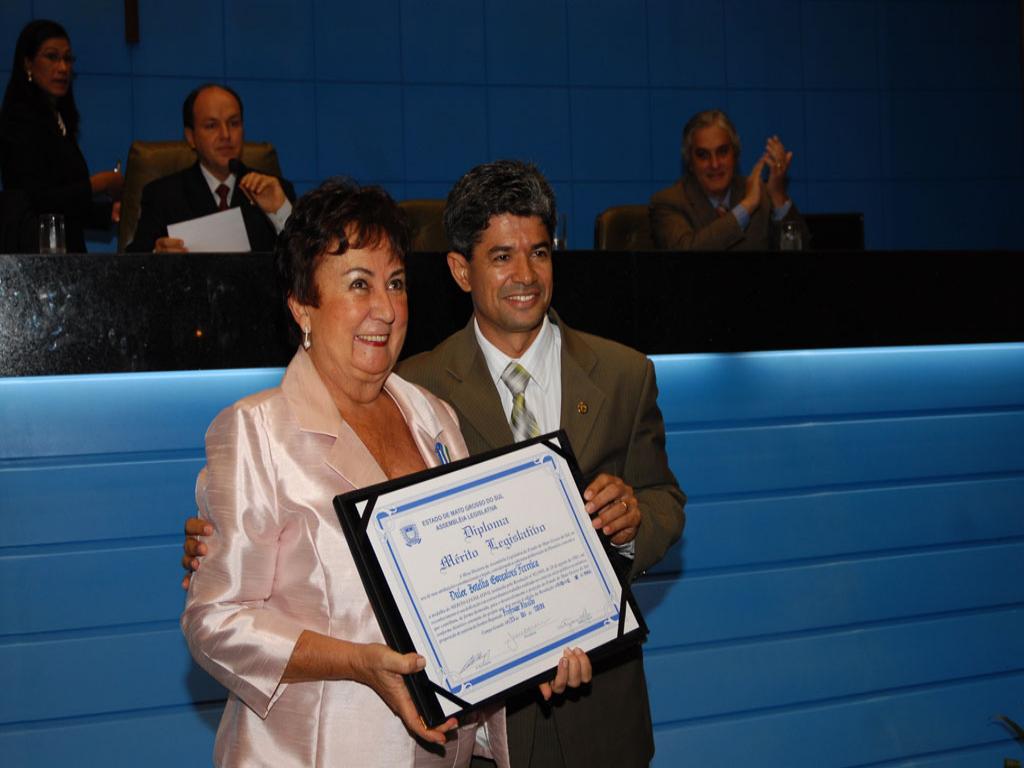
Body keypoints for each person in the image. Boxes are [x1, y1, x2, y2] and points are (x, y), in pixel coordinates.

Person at [183, 161, 684, 767]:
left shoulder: (431, 416)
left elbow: (476, 579)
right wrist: (357, 662)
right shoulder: (255, 431)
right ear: (302, 306)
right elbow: (217, 621)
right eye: (359, 284)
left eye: (395, 283)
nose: (386, 308)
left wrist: (537, 652)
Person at [126, 83, 295, 253]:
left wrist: (280, 211)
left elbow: (308, 261)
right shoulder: (162, 196)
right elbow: (130, 267)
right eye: (211, 126)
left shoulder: (275, 191)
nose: (226, 135)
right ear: (191, 137)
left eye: (234, 123)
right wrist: (157, 257)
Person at [0, 19, 122, 253]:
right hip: (34, 256)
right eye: (52, 57)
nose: (63, 68)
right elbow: (37, 200)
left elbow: (67, 205)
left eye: (68, 59)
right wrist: (98, 184)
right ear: (28, 63)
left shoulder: (58, 119)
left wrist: (110, 213)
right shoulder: (18, 121)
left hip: (63, 254)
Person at [649, 108, 808, 251]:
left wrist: (778, 195)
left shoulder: (763, 196)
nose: (715, 164)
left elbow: (805, 259)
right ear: (690, 163)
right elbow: (685, 254)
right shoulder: (669, 202)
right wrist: (747, 207)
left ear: (735, 155)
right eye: (703, 155)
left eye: (722, 152)